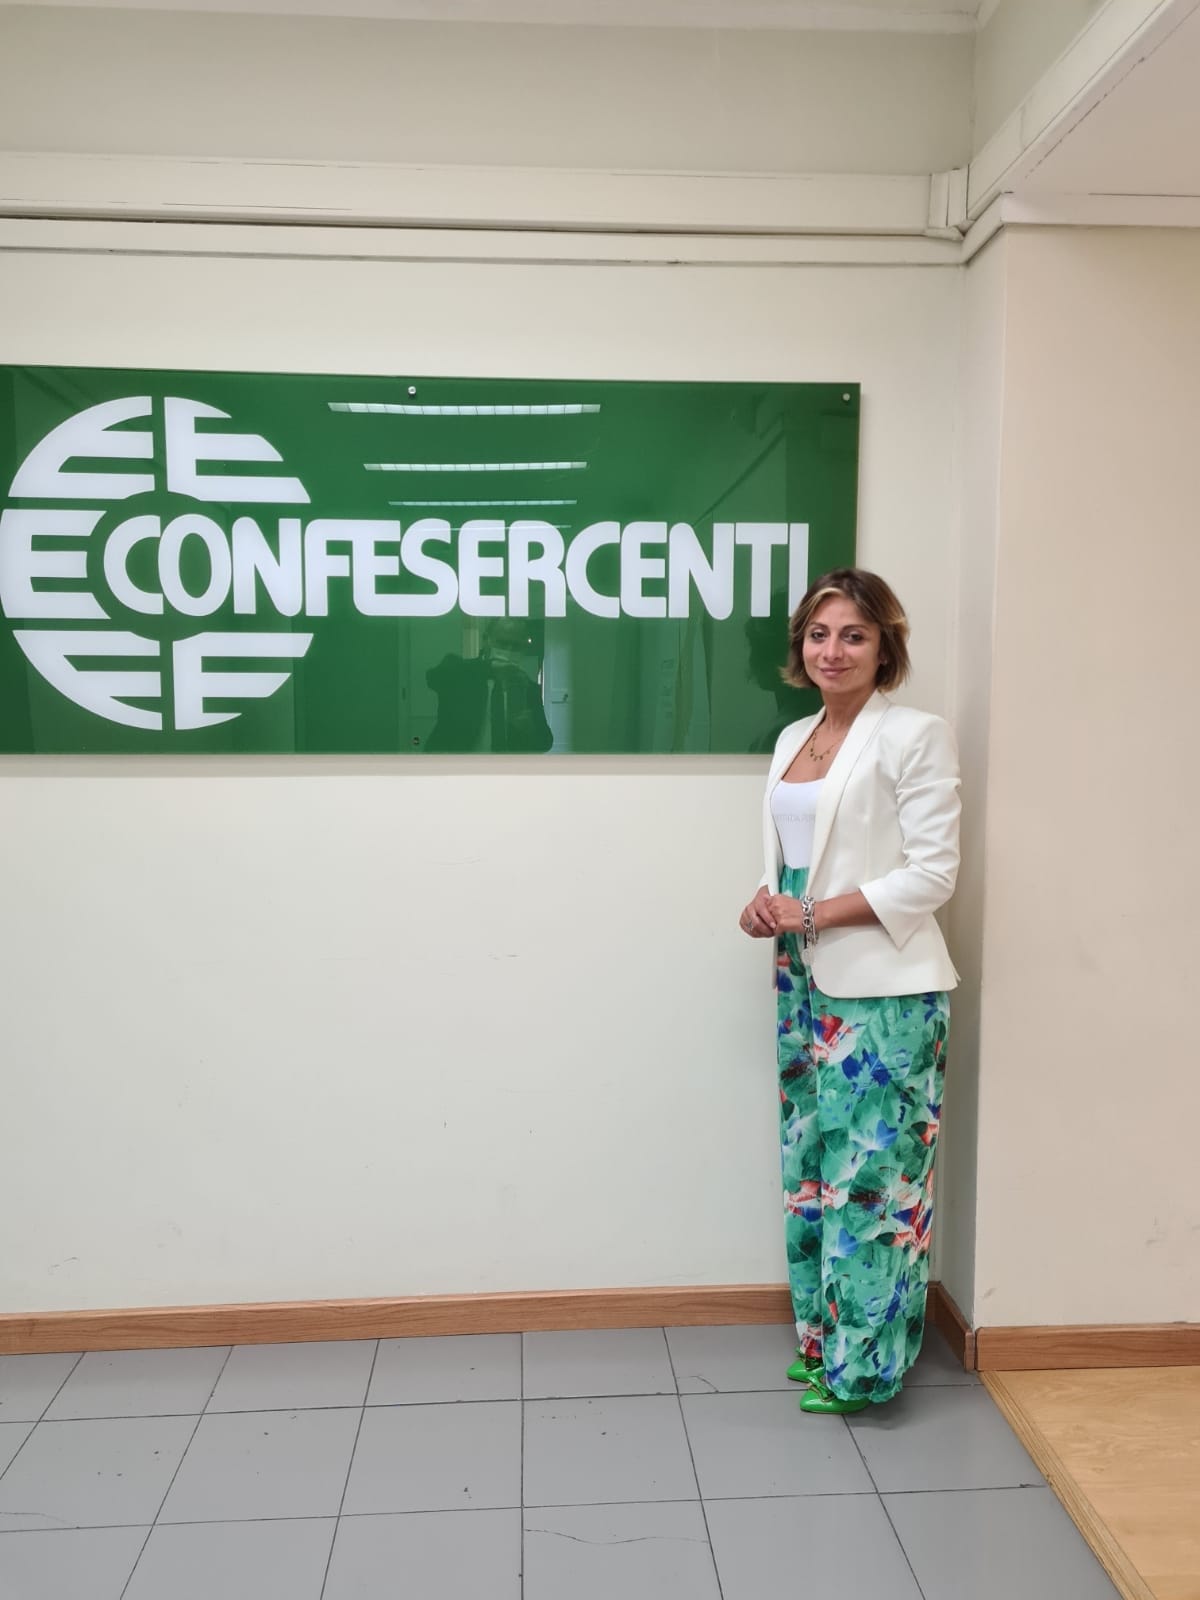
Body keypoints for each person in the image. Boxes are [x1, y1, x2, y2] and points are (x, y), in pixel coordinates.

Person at [738, 568, 960, 1415]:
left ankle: (866, 1372)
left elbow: (932, 874)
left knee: (875, 1182)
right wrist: (767, 902)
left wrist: (811, 911)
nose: (832, 650)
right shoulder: (793, 736)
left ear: (884, 647)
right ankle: (823, 1343)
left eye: (854, 635)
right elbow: (798, 857)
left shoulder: (914, 735)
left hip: (886, 990)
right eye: (819, 634)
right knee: (811, 1167)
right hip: (801, 973)